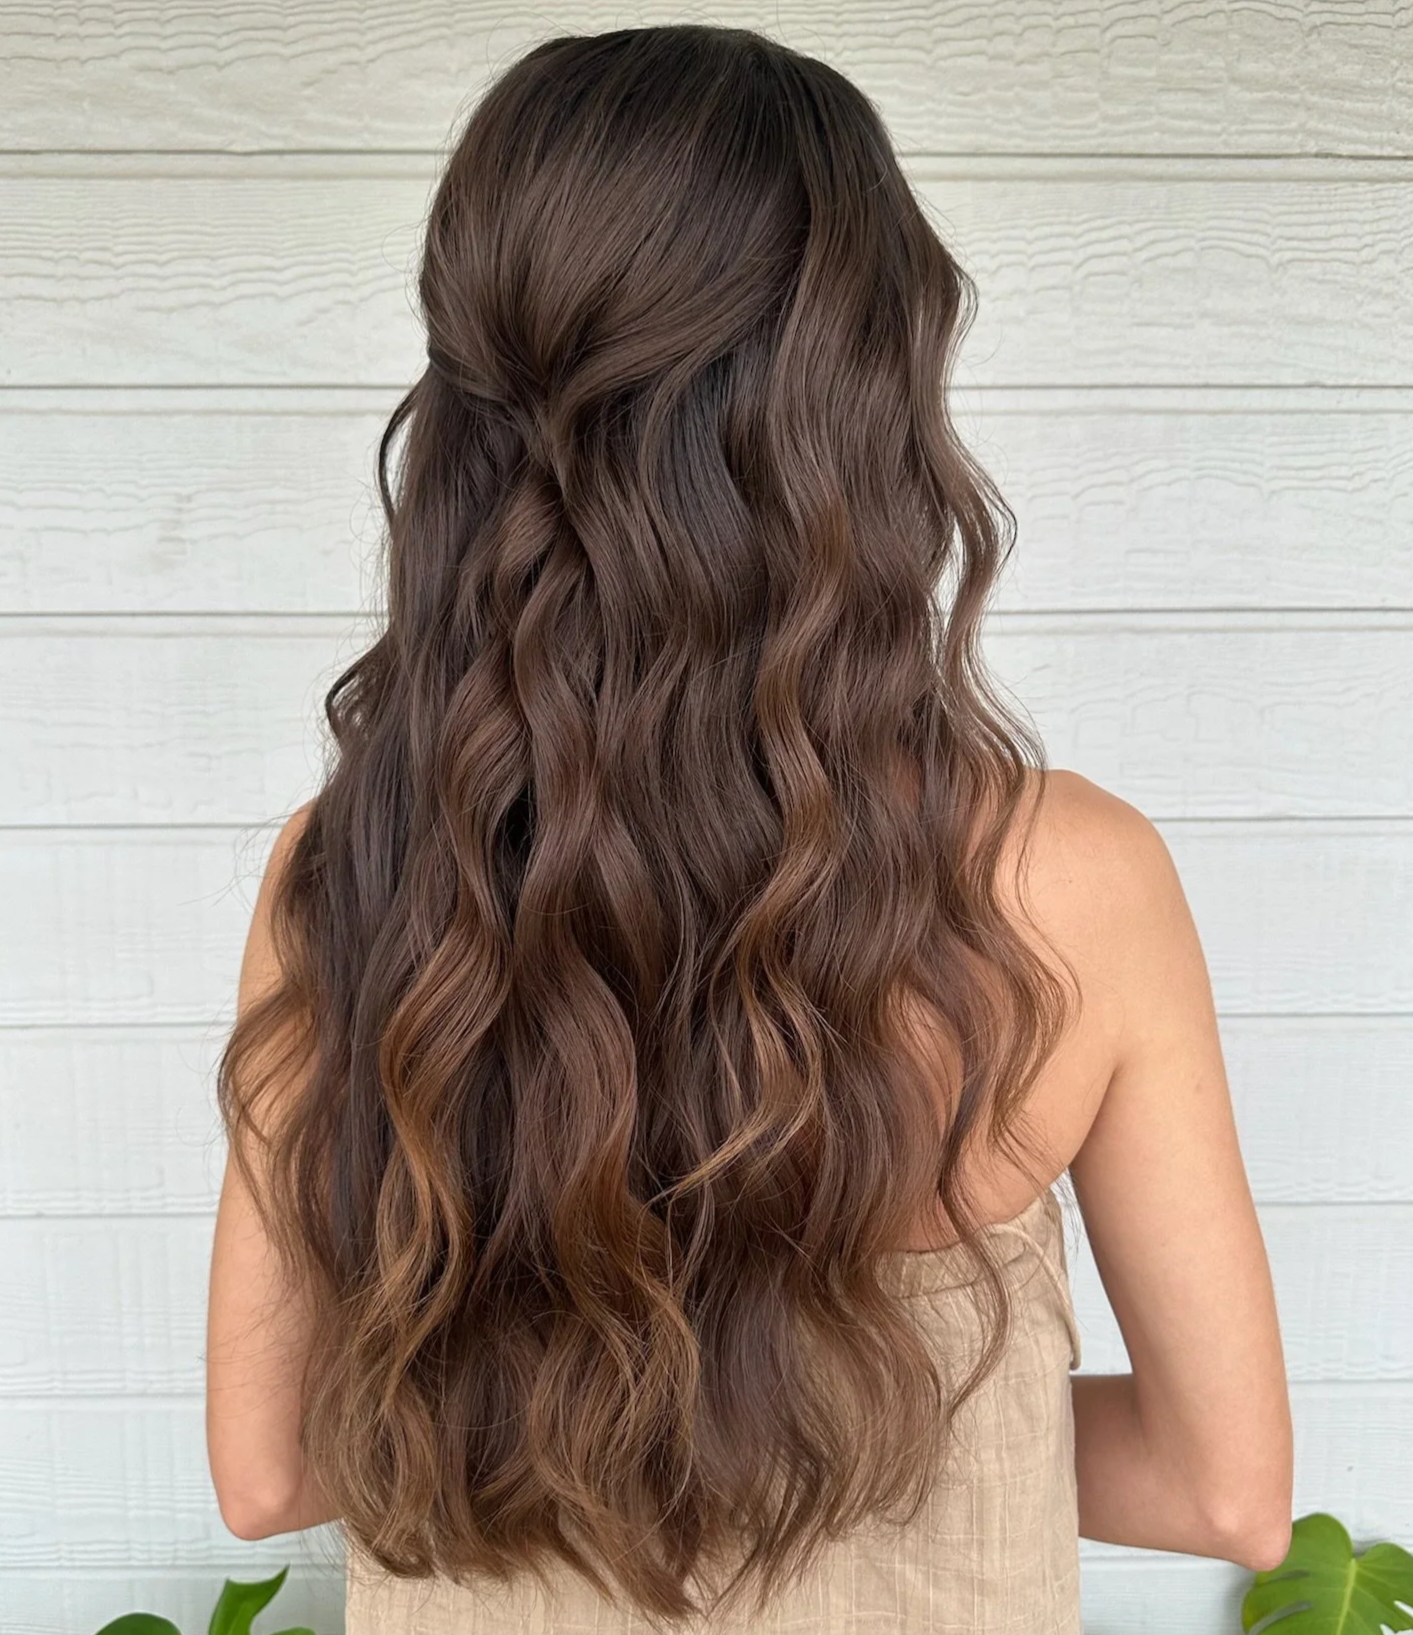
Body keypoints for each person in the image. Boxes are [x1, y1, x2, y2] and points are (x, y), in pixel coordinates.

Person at [204, 23, 1293, 1633]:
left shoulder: (358, 875)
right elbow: (1225, 1491)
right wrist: (859, 1425)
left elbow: (270, 1469)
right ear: (862, 399)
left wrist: (596, 1417)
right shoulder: (1071, 881)